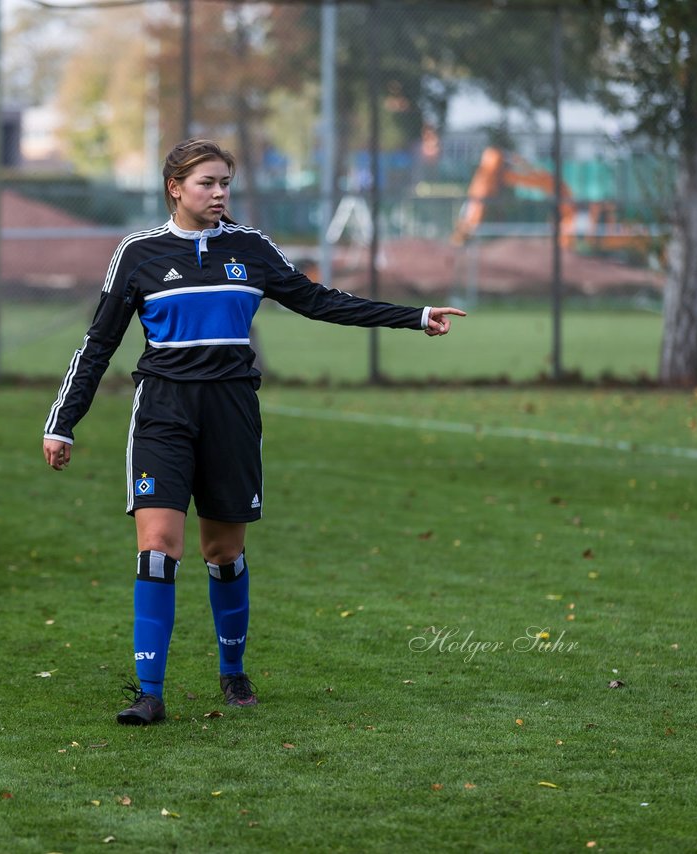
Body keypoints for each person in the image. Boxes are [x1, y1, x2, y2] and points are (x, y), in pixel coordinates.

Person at [42, 138, 465, 725]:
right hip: (162, 413)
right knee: (158, 548)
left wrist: (414, 316)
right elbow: (99, 345)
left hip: (232, 411)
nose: (219, 194)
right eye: (207, 183)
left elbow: (320, 301)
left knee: (224, 552)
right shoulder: (137, 253)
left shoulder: (251, 248)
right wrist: (63, 422)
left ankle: (233, 672)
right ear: (175, 188)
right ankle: (149, 691)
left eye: (225, 184)